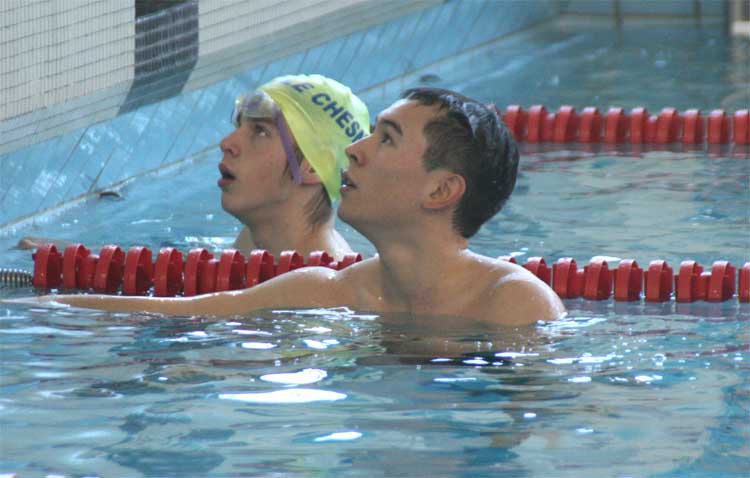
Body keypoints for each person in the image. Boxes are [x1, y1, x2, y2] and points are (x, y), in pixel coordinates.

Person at [11, 88, 565, 326]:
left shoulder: (514, 305)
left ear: (441, 191)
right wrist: (29, 310)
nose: (355, 150)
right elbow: (181, 313)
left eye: (387, 139)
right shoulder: (328, 290)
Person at [17, 74, 370, 260]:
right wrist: (79, 257)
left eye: (260, 132)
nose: (228, 142)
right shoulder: (260, 239)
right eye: (240, 125)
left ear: (311, 168)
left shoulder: (328, 282)